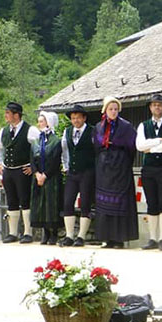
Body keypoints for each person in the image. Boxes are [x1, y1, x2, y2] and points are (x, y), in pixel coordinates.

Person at [93, 96, 138, 248]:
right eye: (110, 109)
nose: (113, 111)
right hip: (104, 168)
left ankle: (119, 239)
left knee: (119, 203)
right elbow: (96, 147)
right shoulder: (99, 126)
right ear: (105, 110)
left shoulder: (126, 126)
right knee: (104, 203)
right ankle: (107, 238)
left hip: (120, 166)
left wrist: (123, 160)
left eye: (116, 109)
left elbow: (132, 147)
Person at [135, 94, 162, 251]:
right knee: (151, 202)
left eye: (160, 105)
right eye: (154, 105)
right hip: (149, 169)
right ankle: (152, 238)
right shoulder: (143, 125)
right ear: (150, 107)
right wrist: (159, 140)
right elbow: (139, 146)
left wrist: (150, 148)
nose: (157, 107)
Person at [0, 101, 40, 244]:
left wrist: (34, 167)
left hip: (23, 171)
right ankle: (12, 233)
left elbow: (39, 150)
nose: (5, 115)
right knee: (11, 201)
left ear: (16, 115)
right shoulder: (4, 131)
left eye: (8, 113)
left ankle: (28, 233)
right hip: (8, 171)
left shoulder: (30, 130)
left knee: (25, 201)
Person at [59, 105, 95, 247]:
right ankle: (69, 235)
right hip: (72, 172)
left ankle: (81, 236)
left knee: (86, 202)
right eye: (73, 118)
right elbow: (64, 150)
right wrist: (66, 166)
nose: (76, 120)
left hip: (87, 171)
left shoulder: (92, 131)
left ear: (84, 118)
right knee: (68, 202)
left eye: (78, 117)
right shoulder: (67, 132)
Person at [30, 111, 63, 245]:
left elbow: (55, 161)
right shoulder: (37, 140)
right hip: (38, 176)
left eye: (42, 121)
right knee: (41, 204)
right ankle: (46, 232)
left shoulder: (56, 141)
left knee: (52, 204)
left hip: (51, 177)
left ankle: (54, 233)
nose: (39, 124)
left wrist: (45, 174)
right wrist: (36, 173)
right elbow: (32, 158)